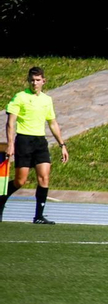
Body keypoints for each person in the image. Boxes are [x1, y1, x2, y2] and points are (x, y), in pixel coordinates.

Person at [2, 66, 70, 225]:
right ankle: (1, 198)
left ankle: (39, 216)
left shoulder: (47, 100)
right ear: (28, 81)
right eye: (32, 80)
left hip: (40, 142)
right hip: (24, 141)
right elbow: (10, 123)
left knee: (44, 177)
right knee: (20, 181)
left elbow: (52, 123)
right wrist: (11, 144)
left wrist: (62, 145)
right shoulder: (19, 97)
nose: (34, 83)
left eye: (38, 80)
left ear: (43, 81)